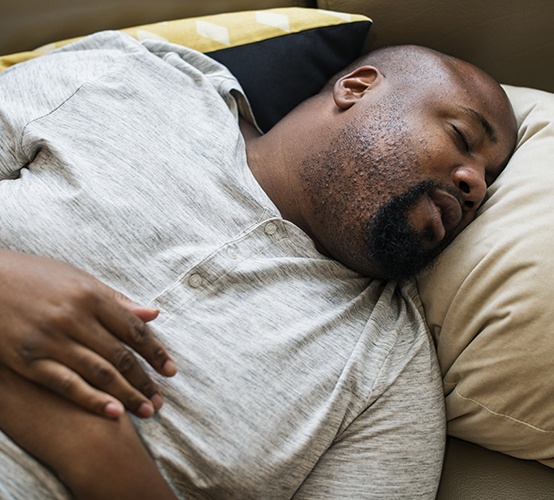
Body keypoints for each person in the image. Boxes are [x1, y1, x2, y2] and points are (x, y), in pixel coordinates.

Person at [0, 30, 516, 499]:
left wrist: (90, 446)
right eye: (462, 138)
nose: (474, 185)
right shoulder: (129, 81)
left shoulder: (389, 379)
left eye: (486, 182)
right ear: (357, 88)